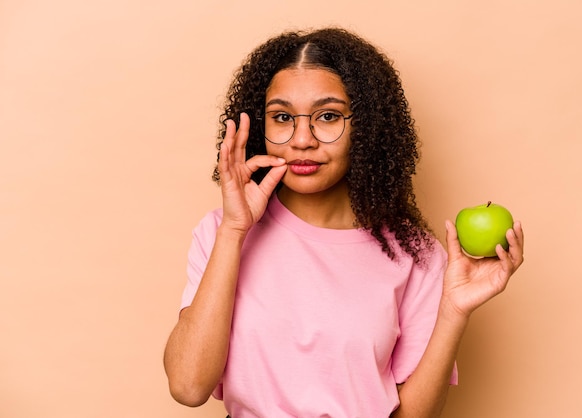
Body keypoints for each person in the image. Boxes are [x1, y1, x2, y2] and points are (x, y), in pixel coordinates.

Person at [163, 27, 524, 417]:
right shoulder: (221, 232)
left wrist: (453, 312)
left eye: (328, 116)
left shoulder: (415, 254)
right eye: (282, 117)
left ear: (365, 127)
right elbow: (188, 386)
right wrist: (234, 231)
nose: (303, 139)